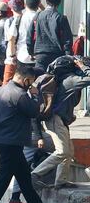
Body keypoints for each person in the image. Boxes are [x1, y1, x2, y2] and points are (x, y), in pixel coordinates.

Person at [0, 65, 53, 203]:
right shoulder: (20, 94)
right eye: (31, 82)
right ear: (26, 80)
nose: (31, 85)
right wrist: (35, 95)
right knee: (4, 175)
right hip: (10, 139)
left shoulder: (2, 90)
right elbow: (34, 112)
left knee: (23, 174)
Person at [31, 57, 90, 189]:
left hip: (59, 120)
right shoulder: (71, 80)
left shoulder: (63, 79)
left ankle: (61, 180)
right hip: (55, 120)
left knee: (69, 151)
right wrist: (83, 66)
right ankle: (35, 174)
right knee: (62, 151)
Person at [26, 0, 73, 70]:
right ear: (59, 2)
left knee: (39, 79)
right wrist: (68, 55)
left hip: (40, 54)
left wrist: (31, 52)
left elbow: (29, 36)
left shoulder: (38, 16)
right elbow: (67, 40)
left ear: (46, 1)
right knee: (55, 79)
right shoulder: (61, 18)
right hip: (57, 54)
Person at [3, 0, 26, 84]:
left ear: (12, 7)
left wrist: (12, 56)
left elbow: (10, 40)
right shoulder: (28, 19)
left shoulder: (10, 21)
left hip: (12, 59)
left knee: (7, 85)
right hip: (25, 58)